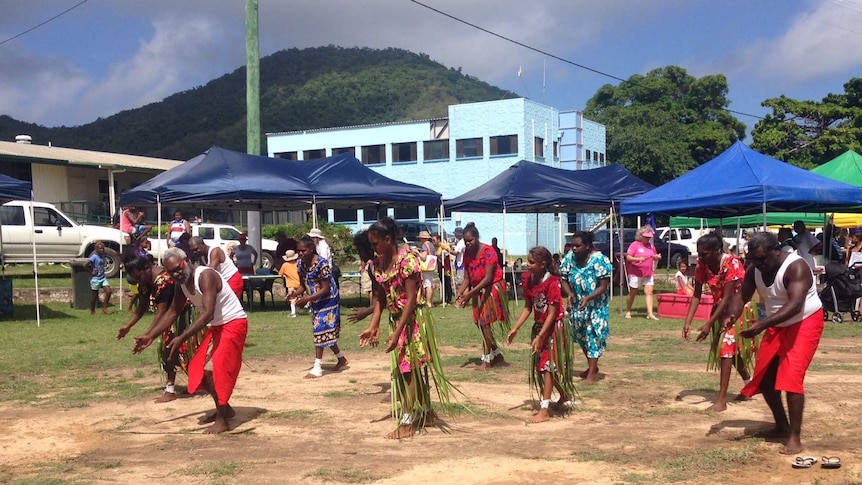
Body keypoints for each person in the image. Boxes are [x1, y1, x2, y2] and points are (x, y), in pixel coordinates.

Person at [724, 231, 824, 455]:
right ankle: (781, 425)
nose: (757, 264)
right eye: (753, 260)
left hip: (804, 322)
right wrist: (732, 314)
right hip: (776, 324)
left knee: (791, 378)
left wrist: (761, 325)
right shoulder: (755, 270)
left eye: (761, 259)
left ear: (776, 251)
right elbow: (741, 296)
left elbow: (795, 305)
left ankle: (795, 438)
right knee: (766, 378)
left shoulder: (796, 267)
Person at [133, 248, 249, 434]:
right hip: (217, 326)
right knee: (198, 370)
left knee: (211, 371)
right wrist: (150, 335)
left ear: (186, 261)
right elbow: (172, 312)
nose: (176, 273)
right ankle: (225, 409)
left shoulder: (206, 276)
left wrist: (182, 337)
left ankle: (222, 419)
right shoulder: (182, 285)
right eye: (171, 272)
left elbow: (208, 312)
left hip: (233, 323)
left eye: (178, 268)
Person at [358, 217, 454, 439]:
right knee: (408, 369)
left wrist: (398, 332)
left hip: (412, 321)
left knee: (407, 369)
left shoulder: (407, 261)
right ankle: (426, 412)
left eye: (375, 244)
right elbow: (381, 295)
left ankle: (408, 422)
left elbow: (411, 300)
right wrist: (373, 325)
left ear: (388, 239)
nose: (373, 249)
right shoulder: (381, 263)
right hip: (397, 321)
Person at [682, 232, 753, 412]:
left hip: (738, 310)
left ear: (716, 250)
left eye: (704, 253)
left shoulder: (732, 263)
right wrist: (687, 322)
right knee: (731, 352)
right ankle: (749, 384)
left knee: (726, 349)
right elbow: (697, 294)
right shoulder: (702, 265)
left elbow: (728, 297)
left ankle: (721, 401)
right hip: (720, 311)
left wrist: (708, 323)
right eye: (699, 253)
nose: (700, 257)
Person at [118, 250, 195, 403]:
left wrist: (149, 335)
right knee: (173, 350)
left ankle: (171, 389)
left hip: (181, 316)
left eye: (139, 277)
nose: (138, 281)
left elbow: (162, 313)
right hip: (170, 317)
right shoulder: (146, 281)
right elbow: (142, 307)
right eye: (135, 279)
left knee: (171, 349)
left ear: (147, 268)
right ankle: (195, 382)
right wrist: (128, 326)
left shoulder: (164, 281)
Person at [288, 235, 347, 379]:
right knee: (324, 331)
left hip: (329, 300)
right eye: (299, 251)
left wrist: (307, 299)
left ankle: (317, 367)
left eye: (303, 250)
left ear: (311, 249)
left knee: (319, 329)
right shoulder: (300, 264)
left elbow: (326, 288)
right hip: (315, 300)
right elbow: (303, 286)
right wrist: (294, 294)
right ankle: (341, 358)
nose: (301, 253)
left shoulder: (322, 264)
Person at [455, 222, 510, 370]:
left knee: (484, 322)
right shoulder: (467, 253)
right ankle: (497, 354)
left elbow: (487, 278)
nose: (468, 243)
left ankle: (487, 360)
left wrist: (469, 294)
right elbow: (467, 279)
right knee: (480, 323)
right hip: (478, 289)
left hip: (492, 287)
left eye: (470, 240)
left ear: (477, 237)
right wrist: (460, 293)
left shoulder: (488, 251)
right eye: (466, 241)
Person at [560, 231, 612, 385]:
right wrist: (569, 293)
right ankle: (592, 367)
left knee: (592, 337)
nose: (574, 249)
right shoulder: (569, 259)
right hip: (577, 306)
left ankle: (591, 375)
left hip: (596, 307)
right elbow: (563, 279)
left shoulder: (599, 260)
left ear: (588, 246)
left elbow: (603, 286)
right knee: (581, 337)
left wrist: (588, 298)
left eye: (578, 246)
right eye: (572, 246)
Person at [624, 225, 661, 320]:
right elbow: (628, 257)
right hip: (635, 272)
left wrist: (657, 257)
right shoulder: (634, 245)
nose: (648, 239)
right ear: (641, 236)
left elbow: (654, 255)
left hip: (648, 272)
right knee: (633, 292)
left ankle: (650, 313)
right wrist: (637, 259)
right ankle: (628, 311)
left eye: (649, 237)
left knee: (649, 292)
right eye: (646, 237)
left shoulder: (651, 246)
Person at [85, 241, 112, 315]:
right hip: (95, 279)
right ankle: (92, 311)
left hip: (102, 277)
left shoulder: (103, 256)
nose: (102, 250)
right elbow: (85, 265)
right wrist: (91, 272)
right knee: (95, 295)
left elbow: (102, 264)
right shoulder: (94, 257)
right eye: (100, 249)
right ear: (96, 249)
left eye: (103, 249)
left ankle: (104, 309)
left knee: (109, 292)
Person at [413, 230, 437, 307]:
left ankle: (428, 302)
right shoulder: (431, 245)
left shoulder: (424, 245)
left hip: (426, 267)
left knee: (427, 284)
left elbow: (423, 257)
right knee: (430, 283)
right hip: (431, 266)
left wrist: (417, 252)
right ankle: (431, 301)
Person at [278, 249, 301, 317]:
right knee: (298, 298)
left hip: (291, 284)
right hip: (299, 284)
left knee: (292, 298)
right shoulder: (297, 264)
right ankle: (297, 311)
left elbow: (280, 274)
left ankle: (293, 313)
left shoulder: (285, 265)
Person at [432, 234, 453, 305]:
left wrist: (441, 249)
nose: (433, 242)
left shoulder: (444, 246)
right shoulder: (436, 247)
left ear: (438, 240)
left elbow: (441, 254)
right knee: (442, 283)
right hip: (440, 267)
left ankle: (448, 299)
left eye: (434, 240)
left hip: (446, 267)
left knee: (447, 282)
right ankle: (444, 299)